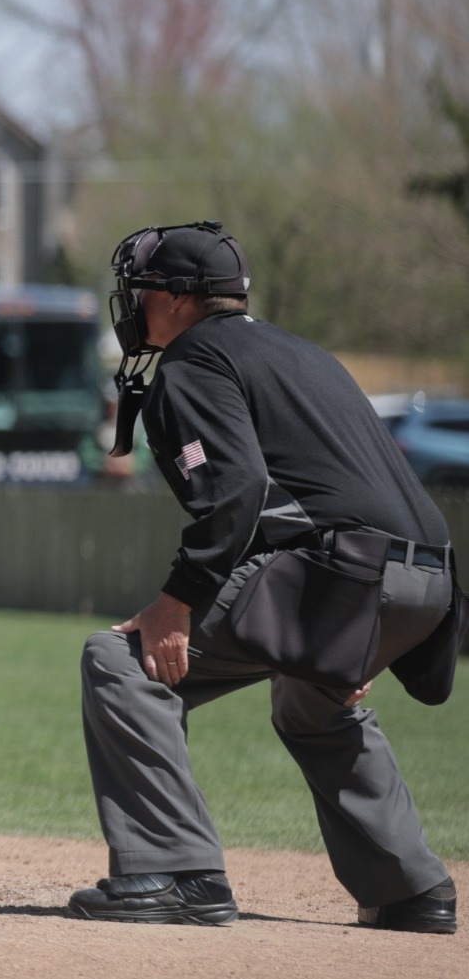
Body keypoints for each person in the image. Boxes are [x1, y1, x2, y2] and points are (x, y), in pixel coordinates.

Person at [70, 221, 459, 933]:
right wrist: (359, 635)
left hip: (348, 573)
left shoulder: (193, 361)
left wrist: (177, 601)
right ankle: (412, 889)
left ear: (179, 298)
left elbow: (236, 492)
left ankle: (179, 875)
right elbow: (360, 490)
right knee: (313, 698)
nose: (134, 302)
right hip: (430, 578)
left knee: (120, 663)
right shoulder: (301, 353)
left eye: (144, 289)